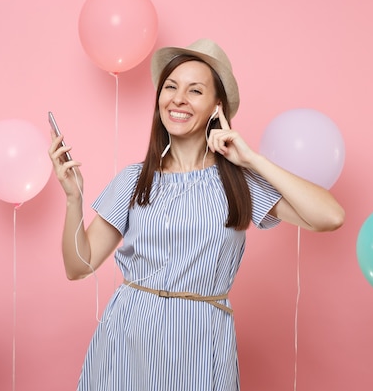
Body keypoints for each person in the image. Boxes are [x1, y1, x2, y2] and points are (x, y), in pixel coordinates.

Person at [48, 38, 344, 391]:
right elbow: (78, 266)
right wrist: (72, 199)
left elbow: (331, 216)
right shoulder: (134, 179)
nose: (178, 99)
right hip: (129, 336)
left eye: (195, 90)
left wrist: (252, 158)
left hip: (201, 341)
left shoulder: (239, 180)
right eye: (170, 86)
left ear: (216, 106)